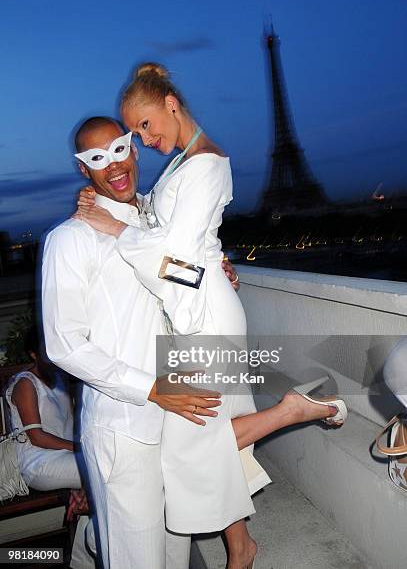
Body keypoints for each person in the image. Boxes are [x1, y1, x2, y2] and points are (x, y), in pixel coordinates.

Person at [75, 63, 347, 569]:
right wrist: (103, 203)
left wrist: (115, 232)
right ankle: (240, 544)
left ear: (170, 105)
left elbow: (176, 258)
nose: (143, 139)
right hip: (193, 307)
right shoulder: (182, 164)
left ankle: (293, 409)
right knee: (203, 427)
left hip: (204, 313)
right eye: (135, 132)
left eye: (145, 125)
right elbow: (160, 221)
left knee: (188, 439)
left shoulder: (208, 165)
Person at [42, 117, 236, 569]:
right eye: (96, 158)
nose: (112, 165)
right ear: (83, 170)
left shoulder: (153, 224)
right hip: (123, 428)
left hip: (175, 421)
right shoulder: (70, 240)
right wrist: (151, 388)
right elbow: (64, 344)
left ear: (134, 150)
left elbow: (174, 278)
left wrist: (218, 282)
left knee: (174, 554)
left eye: (118, 149)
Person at [5, 325, 95, 569]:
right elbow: (37, 437)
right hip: (38, 463)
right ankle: (89, 555)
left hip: (67, 458)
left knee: (96, 482)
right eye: (47, 349)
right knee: (100, 471)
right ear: (33, 353)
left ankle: (81, 562)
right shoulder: (25, 383)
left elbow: (78, 424)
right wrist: (80, 450)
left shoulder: (61, 380)